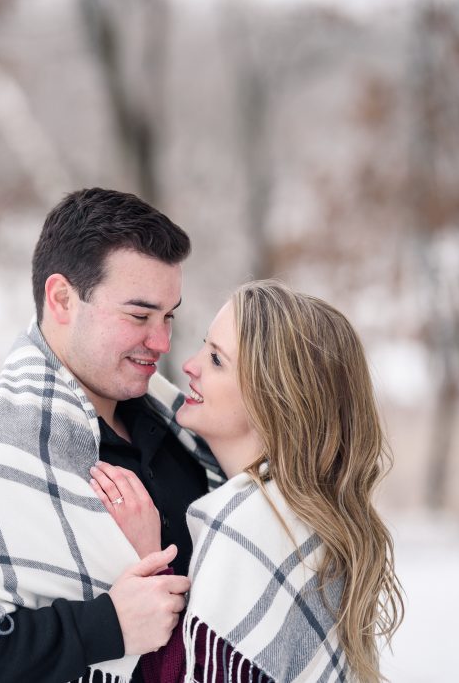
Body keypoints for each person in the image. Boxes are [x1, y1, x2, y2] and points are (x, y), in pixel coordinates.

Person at [0, 188, 224, 683]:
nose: (162, 342)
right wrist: (107, 626)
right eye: (139, 316)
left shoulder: (183, 433)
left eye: (169, 316)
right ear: (62, 299)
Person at [91, 280, 404, 682]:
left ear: (273, 398)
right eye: (205, 345)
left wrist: (150, 563)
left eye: (217, 360)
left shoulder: (255, 523)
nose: (190, 364)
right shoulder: (303, 513)